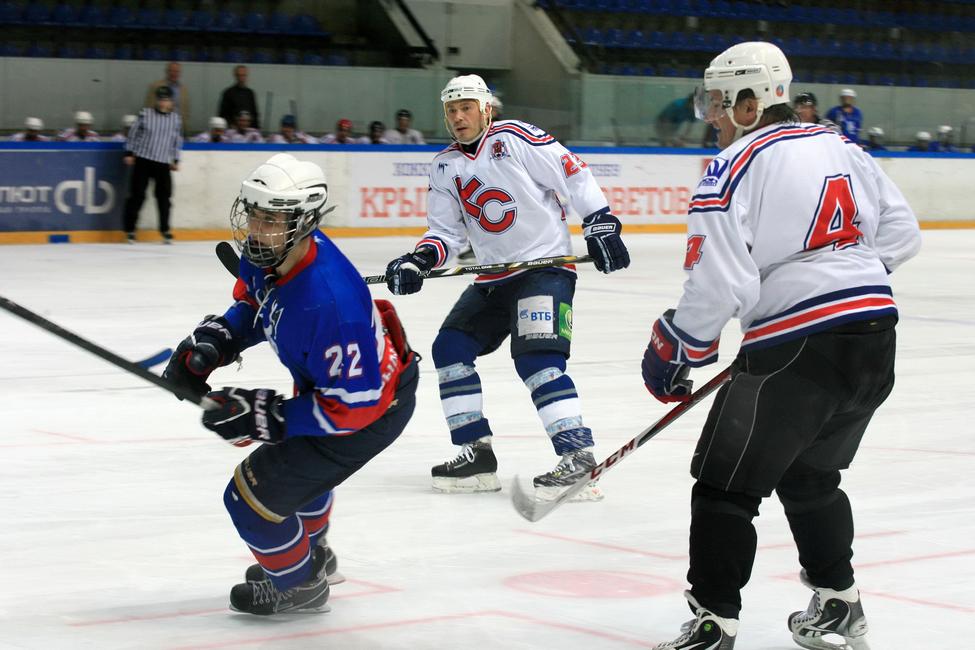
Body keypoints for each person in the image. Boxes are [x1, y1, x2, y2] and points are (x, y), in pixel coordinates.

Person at [642, 42, 920, 650]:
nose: (711, 115)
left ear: (749, 102)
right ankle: (841, 605)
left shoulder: (731, 166)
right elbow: (902, 233)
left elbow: (720, 280)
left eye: (717, 103)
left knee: (724, 485)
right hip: (875, 335)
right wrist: (844, 279)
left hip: (798, 349)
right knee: (809, 475)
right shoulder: (841, 145)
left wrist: (676, 348)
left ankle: (714, 622)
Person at [161, 153, 419, 616]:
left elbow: (355, 405)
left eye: (273, 219)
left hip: (372, 408)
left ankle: (299, 586)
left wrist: (270, 417)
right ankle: (310, 556)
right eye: (254, 215)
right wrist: (217, 342)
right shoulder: (274, 251)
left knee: (249, 498)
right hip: (341, 392)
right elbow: (259, 305)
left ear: (303, 222)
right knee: (292, 480)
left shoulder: (329, 303)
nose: (258, 229)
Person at [384, 74, 630, 498]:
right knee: (450, 348)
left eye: (466, 108)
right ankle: (476, 454)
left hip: (545, 269)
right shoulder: (444, 165)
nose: (458, 116)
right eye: (451, 110)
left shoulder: (515, 137)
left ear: (486, 109)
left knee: (537, 359)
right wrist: (418, 260)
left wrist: (599, 222)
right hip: (494, 277)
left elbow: (572, 173)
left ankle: (578, 457)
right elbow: (445, 234)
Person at [122, 86, 183, 244]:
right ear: (156, 100)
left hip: (163, 162)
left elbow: (176, 140)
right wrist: (129, 152)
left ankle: (165, 230)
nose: (163, 103)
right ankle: (130, 230)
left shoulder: (175, 119)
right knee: (137, 195)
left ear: (171, 102)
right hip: (143, 159)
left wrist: (176, 159)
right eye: (161, 99)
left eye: (166, 100)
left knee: (164, 198)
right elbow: (133, 134)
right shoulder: (145, 114)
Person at [145, 62, 189, 127]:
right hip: (159, 126)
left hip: (178, 127)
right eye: (172, 71)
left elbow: (186, 110)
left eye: (176, 71)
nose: (174, 73)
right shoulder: (156, 86)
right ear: (167, 72)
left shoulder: (184, 89)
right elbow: (149, 107)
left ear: (179, 73)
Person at [219, 65, 259, 129]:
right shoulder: (228, 93)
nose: (241, 78)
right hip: (232, 130)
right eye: (239, 75)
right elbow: (222, 114)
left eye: (243, 75)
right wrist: (231, 125)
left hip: (249, 130)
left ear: (247, 76)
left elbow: (254, 113)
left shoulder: (250, 93)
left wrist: (256, 129)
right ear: (235, 76)